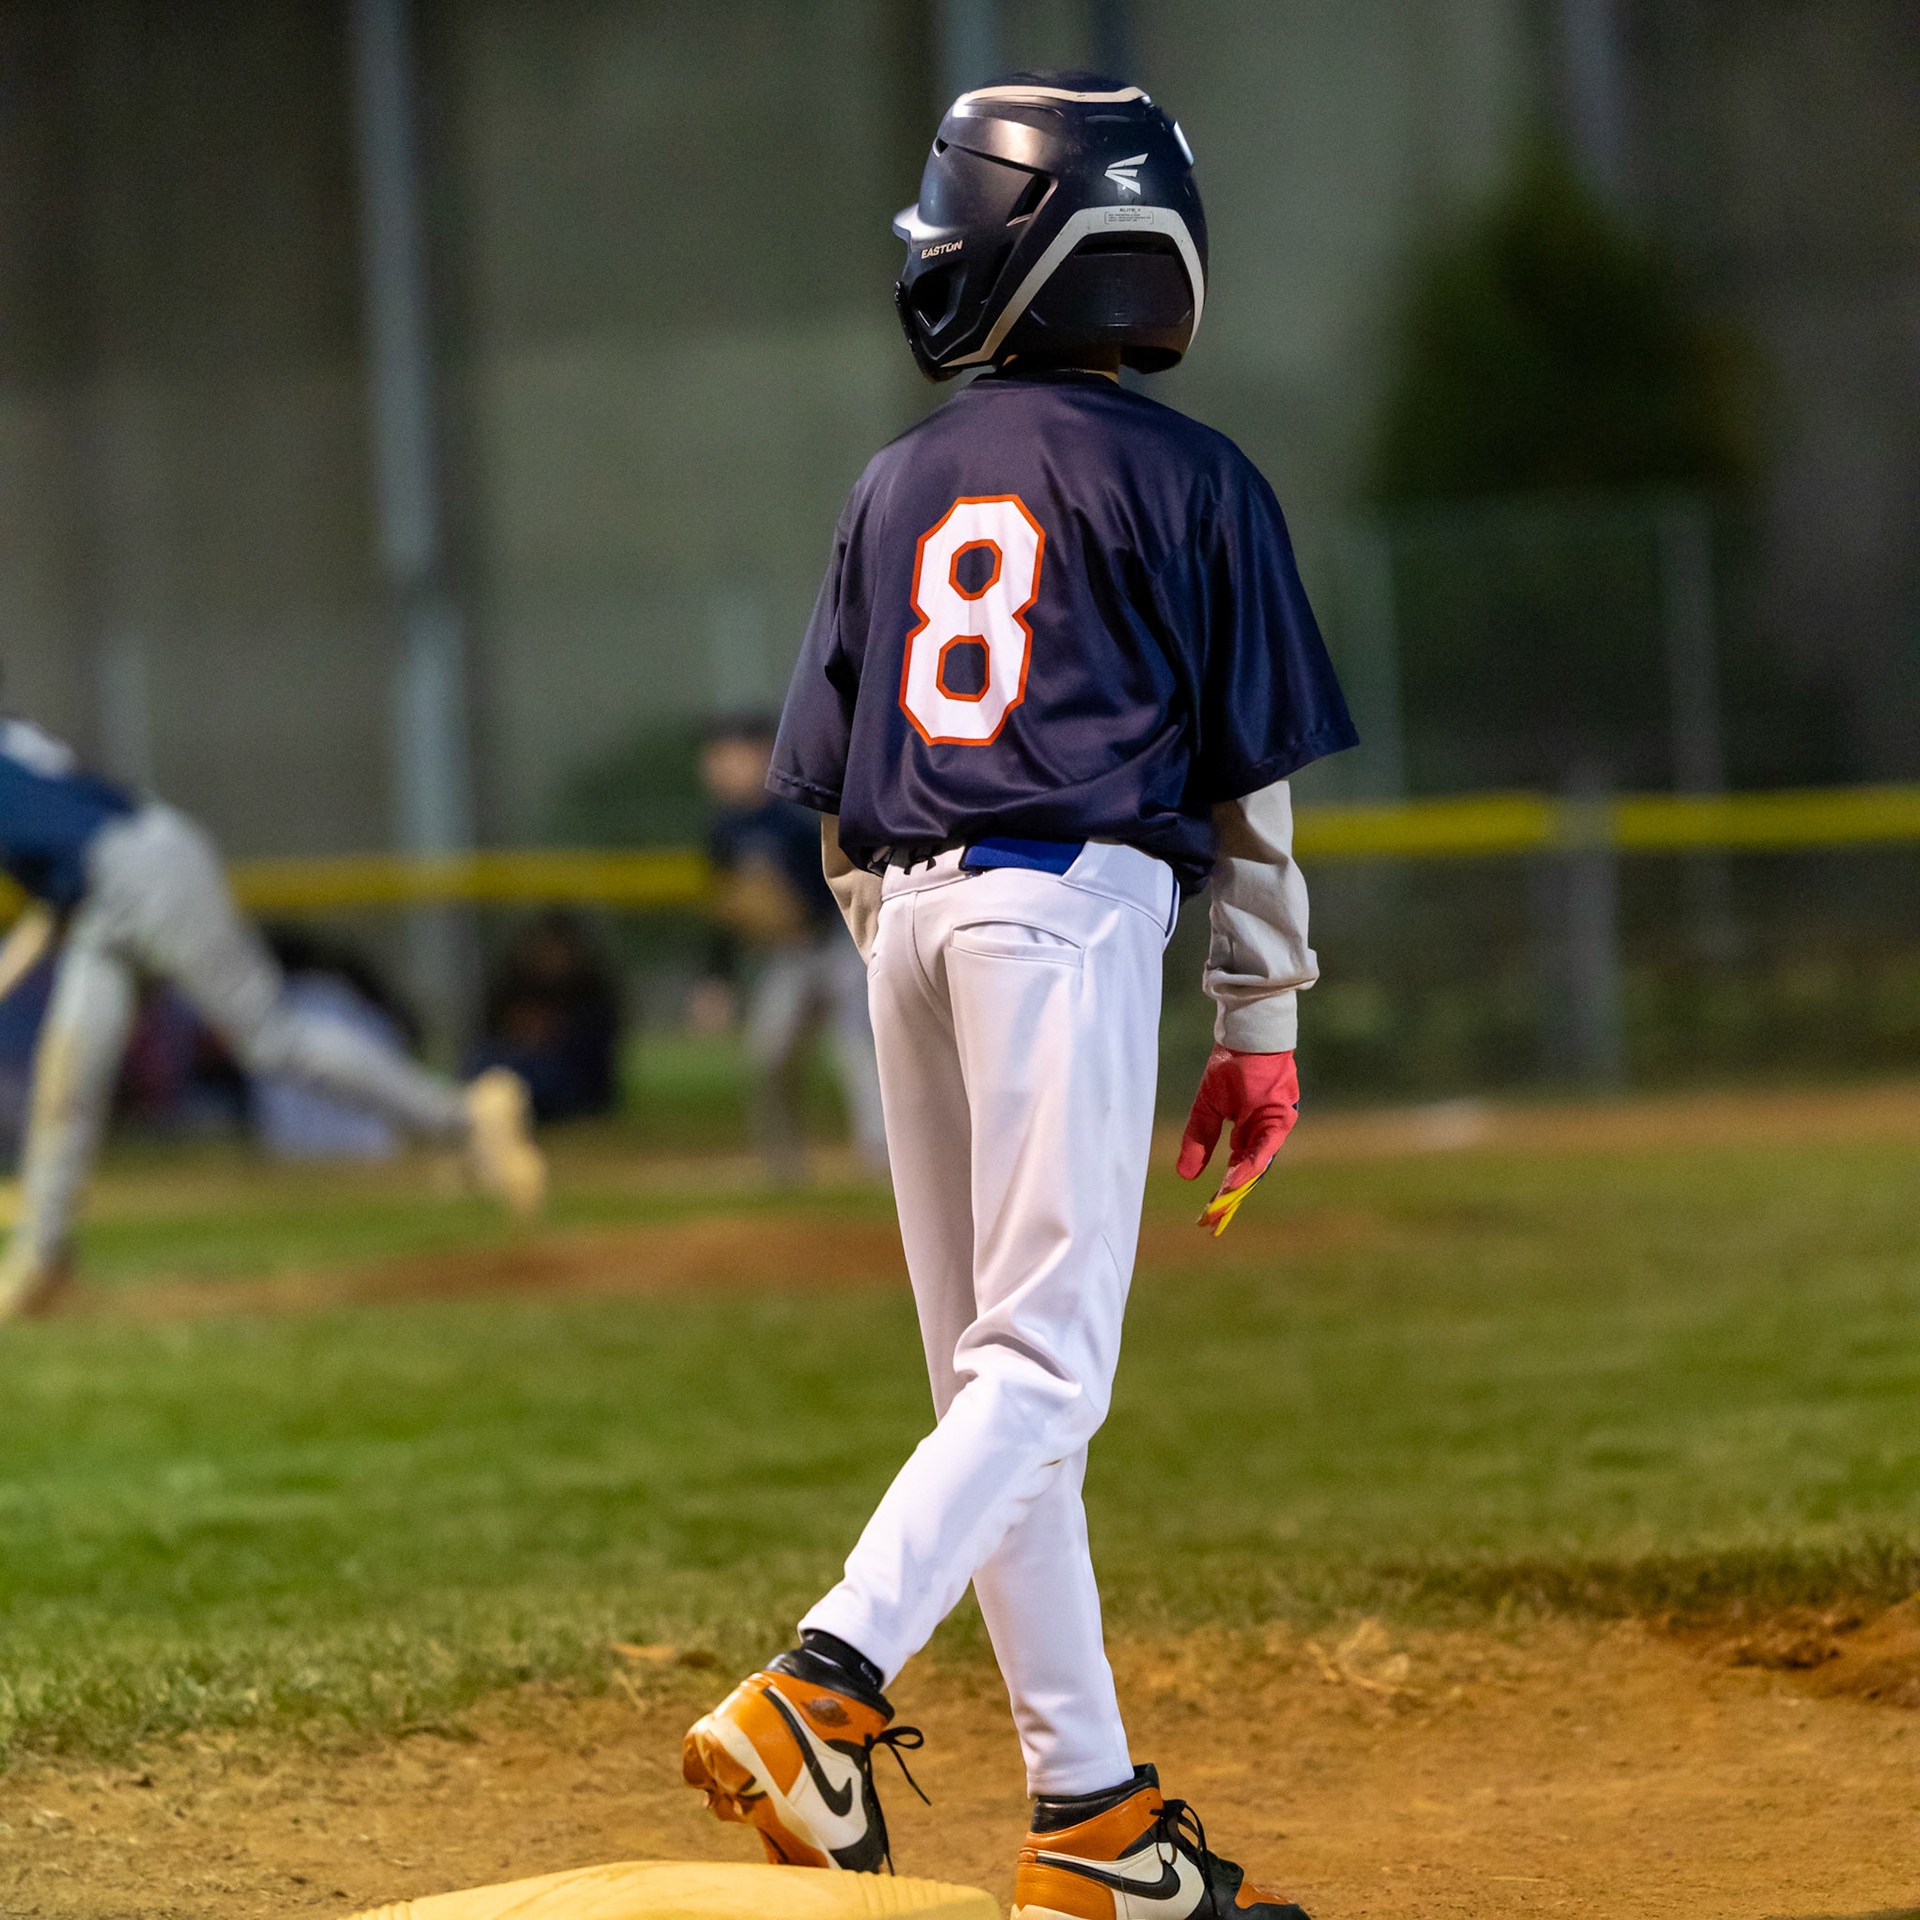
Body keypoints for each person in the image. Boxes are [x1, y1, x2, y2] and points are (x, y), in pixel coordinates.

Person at [680, 73, 1353, 1920]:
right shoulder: (1198, 478)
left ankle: (1096, 1825)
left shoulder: (893, 482)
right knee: (1043, 1376)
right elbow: (1250, 792)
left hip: (905, 914)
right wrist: (1261, 1024)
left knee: (1002, 1397)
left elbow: (828, 794)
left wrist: (910, 947)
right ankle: (821, 1689)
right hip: (1066, 907)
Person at [0, 712, 546, 1320]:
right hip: (103, 895)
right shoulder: (15, 752)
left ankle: (466, 1116)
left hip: (141, 871)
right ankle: (42, 1261)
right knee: (66, 1080)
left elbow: (82, 852)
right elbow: (60, 885)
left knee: (270, 1037)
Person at [697, 714, 887, 1181]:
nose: (718, 766)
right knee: (770, 1056)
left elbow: (846, 883)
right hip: (788, 957)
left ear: (761, 757)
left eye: (731, 756)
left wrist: (794, 909)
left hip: (840, 946)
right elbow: (724, 908)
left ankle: (883, 1157)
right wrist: (717, 977)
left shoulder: (796, 816)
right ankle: (783, 1165)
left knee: (859, 1051)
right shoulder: (722, 829)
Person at [468, 911, 624, 1123]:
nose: (549, 957)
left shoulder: (592, 995)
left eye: (555, 949)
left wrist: (553, 1033)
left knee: (536, 1077)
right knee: (487, 1065)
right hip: (517, 1064)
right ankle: (483, 1107)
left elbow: (595, 1056)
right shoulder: (513, 986)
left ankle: (501, 1106)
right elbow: (492, 1031)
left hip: (564, 1078)